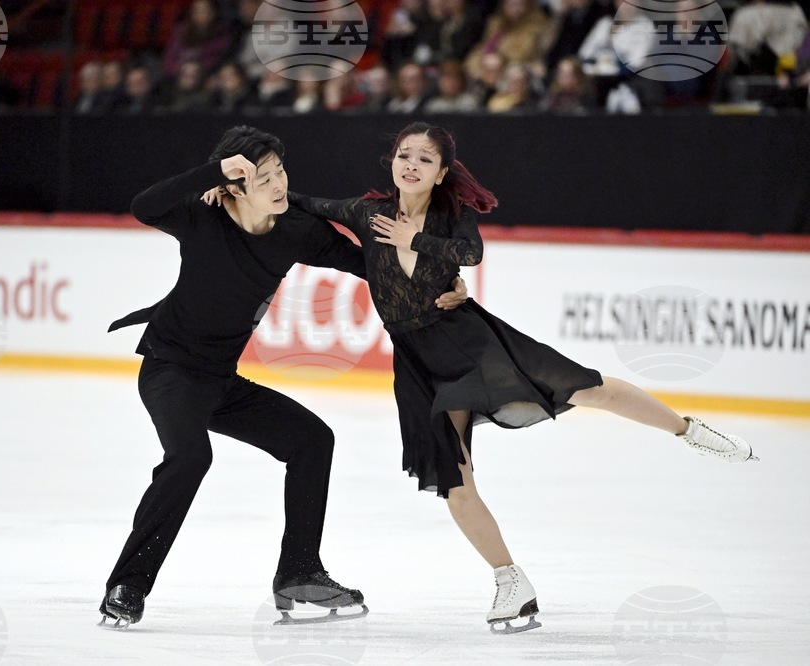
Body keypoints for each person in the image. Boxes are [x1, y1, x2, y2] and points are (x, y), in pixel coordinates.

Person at [267, 121, 758, 633]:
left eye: (424, 160)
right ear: (392, 162)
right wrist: (235, 187)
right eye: (404, 155)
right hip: (416, 360)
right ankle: (511, 581)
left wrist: (419, 239)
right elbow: (302, 203)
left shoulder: (449, 216)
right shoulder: (366, 214)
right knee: (454, 480)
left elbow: (470, 254)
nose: (411, 165)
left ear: (439, 174)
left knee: (589, 388)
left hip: (469, 340)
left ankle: (689, 430)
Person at [101, 125, 469, 627]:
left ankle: (299, 574)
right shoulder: (201, 216)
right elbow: (144, 205)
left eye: (280, 173)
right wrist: (213, 173)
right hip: (171, 371)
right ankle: (128, 584)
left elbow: (370, 264)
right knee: (189, 458)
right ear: (234, 184)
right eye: (263, 178)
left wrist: (444, 280)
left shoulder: (295, 229)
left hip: (220, 382)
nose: (279, 186)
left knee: (312, 440)